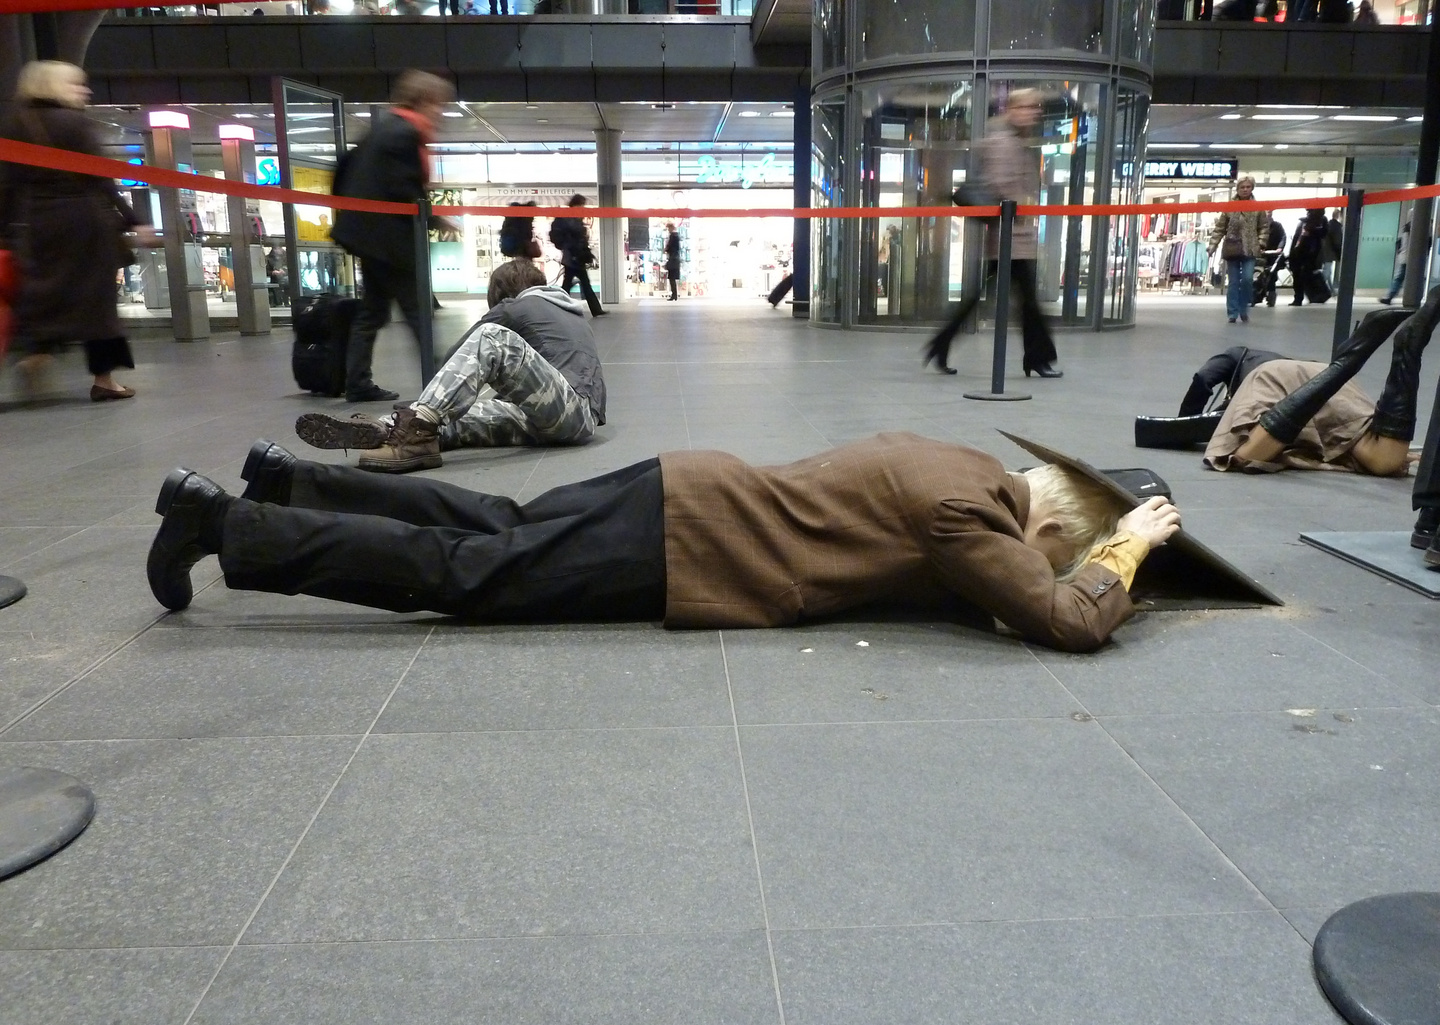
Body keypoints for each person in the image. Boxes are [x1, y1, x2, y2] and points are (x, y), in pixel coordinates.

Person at [147, 432, 1183, 655]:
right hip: (691, 542)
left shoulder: (960, 467)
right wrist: (1122, 553)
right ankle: (232, 523)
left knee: (495, 527)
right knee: (473, 578)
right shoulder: (972, 519)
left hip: (682, 486)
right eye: (1065, 548)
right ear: (1054, 529)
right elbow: (1060, 618)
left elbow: (949, 577)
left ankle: (287, 479)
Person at [295, 258, 605, 472]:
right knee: (456, 418)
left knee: (491, 338)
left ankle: (417, 423)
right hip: (570, 418)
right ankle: (391, 430)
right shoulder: (570, 312)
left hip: (568, 412)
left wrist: (446, 395)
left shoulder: (516, 306)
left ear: (500, 294)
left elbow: (459, 355)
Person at [0, 61, 154, 402]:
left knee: (42, 294)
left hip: (38, 223)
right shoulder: (74, 123)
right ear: (52, 86)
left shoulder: (15, 125)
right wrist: (135, 220)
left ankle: (36, 354)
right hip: (85, 222)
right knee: (97, 303)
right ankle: (104, 380)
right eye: (75, 84)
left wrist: (4, 232)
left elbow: (8, 185)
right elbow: (102, 179)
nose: (84, 91)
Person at [1205, 288, 1440, 481]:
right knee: (1383, 459)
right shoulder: (1268, 358)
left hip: (1273, 378)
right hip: (1320, 379)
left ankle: (1347, 363)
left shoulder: (1237, 355)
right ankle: (1403, 350)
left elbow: (1202, 380)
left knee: (1244, 455)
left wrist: (1190, 416)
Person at [330, 70, 452, 403]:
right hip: (389, 240)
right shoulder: (405, 133)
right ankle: (440, 385)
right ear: (424, 100)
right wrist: (435, 218)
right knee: (418, 312)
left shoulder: (382, 129)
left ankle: (357, 381)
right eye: (438, 104)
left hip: (371, 237)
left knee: (372, 311)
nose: (440, 112)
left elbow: (344, 169)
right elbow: (404, 190)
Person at [923, 87, 1061, 378]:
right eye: (1025, 107)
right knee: (1024, 302)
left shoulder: (1014, 141)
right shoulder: (1003, 143)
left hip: (1013, 237)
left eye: (1034, 107)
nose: (1033, 112)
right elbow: (999, 185)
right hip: (1009, 236)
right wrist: (1024, 202)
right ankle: (1037, 357)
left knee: (996, 298)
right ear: (1011, 110)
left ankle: (941, 344)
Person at [1207, 175, 1268, 324]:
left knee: (1247, 279)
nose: (1245, 189)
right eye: (1242, 187)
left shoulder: (1258, 207)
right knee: (1233, 282)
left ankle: (1243, 309)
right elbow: (1220, 228)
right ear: (1238, 189)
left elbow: (1264, 227)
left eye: (1248, 187)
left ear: (1252, 188)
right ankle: (1232, 313)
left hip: (1250, 248)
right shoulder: (1230, 207)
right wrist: (1213, 245)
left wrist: (1260, 243)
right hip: (1232, 247)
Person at [548, 193, 604, 317]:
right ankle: (595, 310)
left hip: (573, 257)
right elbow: (576, 238)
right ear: (576, 204)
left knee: (575, 283)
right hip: (573, 257)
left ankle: (595, 309)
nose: (583, 207)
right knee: (576, 284)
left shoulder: (572, 218)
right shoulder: (571, 219)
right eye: (582, 205)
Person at [1287, 207, 1329, 306]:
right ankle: (1298, 297)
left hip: (1310, 253)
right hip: (1298, 252)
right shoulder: (1303, 221)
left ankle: (1313, 295)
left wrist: (1311, 231)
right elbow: (1297, 239)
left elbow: (1323, 233)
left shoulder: (1321, 220)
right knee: (1297, 276)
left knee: (1305, 275)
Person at [1252, 217, 1286, 308]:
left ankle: (1271, 294)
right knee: (1256, 273)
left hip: (1273, 254)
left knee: (1271, 275)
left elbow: (1283, 237)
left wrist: (1280, 248)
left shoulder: (1277, 226)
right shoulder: (1257, 225)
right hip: (1260, 254)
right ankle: (1255, 293)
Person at [1379, 221, 1409, 305]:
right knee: (1404, 278)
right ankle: (1391, 296)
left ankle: (1390, 296)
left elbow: (1400, 243)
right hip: (1411, 258)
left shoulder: (1406, 228)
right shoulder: (1420, 229)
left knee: (1399, 278)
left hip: (1404, 257)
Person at [1321, 209, 1344, 290]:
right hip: (1330, 252)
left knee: (1328, 271)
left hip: (1325, 251)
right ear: (1339, 216)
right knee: (1327, 272)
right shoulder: (1337, 226)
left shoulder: (1328, 224)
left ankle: (1331, 290)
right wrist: (1340, 252)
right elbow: (1337, 241)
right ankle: (1318, 288)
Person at [664, 222, 681, 301]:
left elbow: (669, 247)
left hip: (673, 260)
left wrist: (666, 249)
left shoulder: (673, 236)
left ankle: (674, 295)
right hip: (675, 259)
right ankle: (674, 294)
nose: (668, 230)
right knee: (672, 278)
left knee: (671, 278)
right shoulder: (676, 236)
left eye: (668, 228)